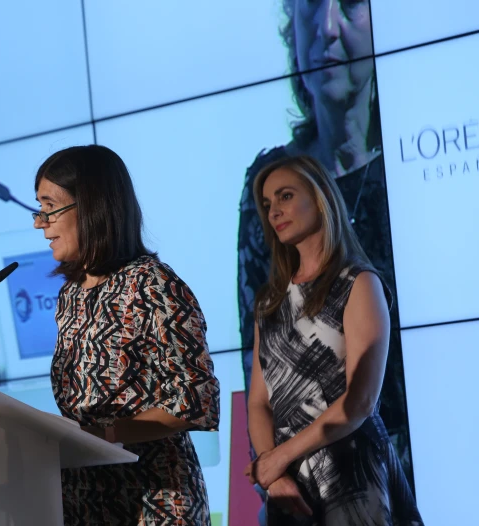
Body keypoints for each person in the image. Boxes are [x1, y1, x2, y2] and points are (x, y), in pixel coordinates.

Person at [236, 0, 412, 485]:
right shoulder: (266, 177)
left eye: (352, 5)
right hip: (295, 473)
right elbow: (258, 373)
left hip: (387, 461)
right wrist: (275, 473)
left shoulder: (415, 165)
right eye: (311, 7)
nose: (327, 29)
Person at [32, 145, 220, 525]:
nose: (40, 222)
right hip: (84, 499)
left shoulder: (153, 285)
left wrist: (110, 433)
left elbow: (196, 399)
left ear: (91, 206)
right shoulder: (70, 297)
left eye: (50, 206)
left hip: (153, 499)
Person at [243, 155, 422, 524]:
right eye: (267, 204)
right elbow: (259, 401)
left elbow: (360, 402)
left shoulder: (359, 283)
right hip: (290, 486)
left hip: (352, 474)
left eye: (285, 196)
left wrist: (278, 458)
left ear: (322, 194)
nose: (274, 210)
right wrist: (273, 474)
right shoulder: (268, 302)